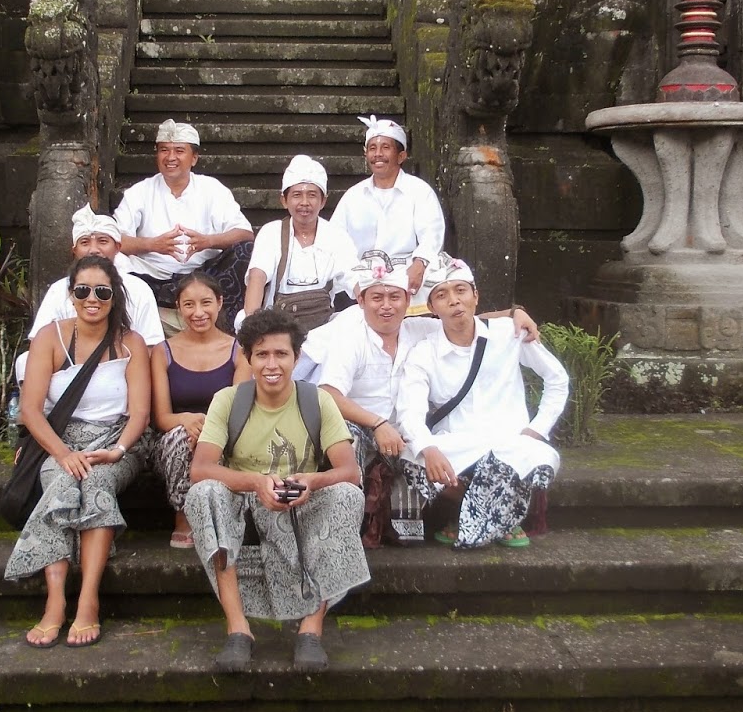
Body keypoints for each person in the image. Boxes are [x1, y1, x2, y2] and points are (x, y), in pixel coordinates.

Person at [184, 309, 368, 674]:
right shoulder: (228, 400)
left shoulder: (317, 400)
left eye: (281, 354)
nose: (272, 364)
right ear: (248, 358)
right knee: (203, 493)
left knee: (349, 495)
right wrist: (255, 483)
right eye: (262, 354)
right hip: (246, 506)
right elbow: (200, 468)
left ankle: (311, 629)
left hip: (304, 501)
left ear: (296, 358)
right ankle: (238, 628)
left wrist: (311, 481)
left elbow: (350, 471)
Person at [315, 253, 542, 546]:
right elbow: (328, 393)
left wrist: (514, 313)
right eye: (377, 297)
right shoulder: (351, 338)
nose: (386, 305)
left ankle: (477, 512)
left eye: (395, 297)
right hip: (363, 427)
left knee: (435, 450)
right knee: (349, 441)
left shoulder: (417, 329)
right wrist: (377, 423)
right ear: (361, 301)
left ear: (407, 302)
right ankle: (341, 532)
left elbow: (462, 319)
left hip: (406, 430)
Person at [5, 255, 151, 649]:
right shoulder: (50, 338)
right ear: (71, 295)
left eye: (101, 292)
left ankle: (88, 598)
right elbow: (32, 410)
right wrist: (64, 453)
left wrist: (119, 450)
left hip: (114, 441)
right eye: (83, 290)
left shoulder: (130, 343)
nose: (92, 299)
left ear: (113, 296)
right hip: (60, 441)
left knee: (99, 481)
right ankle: (55, 601)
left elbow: (140, 412)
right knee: (63, 480)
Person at [397, 255, 569, 550]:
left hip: (511, 443)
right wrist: (428, 447)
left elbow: (557, 379)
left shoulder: (508, 334)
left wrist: (536, 429)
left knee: (532, 457)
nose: (454, 301)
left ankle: (472, 523)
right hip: (460, 444)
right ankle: (496, 519)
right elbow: (409, 411)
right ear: (432, 308)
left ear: (476, 297)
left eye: (461, 291)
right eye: (442, 294)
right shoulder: (423, 353)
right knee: (412, 461)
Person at [114, 119, 255, 330]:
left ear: (194, 158)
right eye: (164, 150)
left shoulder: (212, 189)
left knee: (248, 252)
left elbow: (245, 233)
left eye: (179, 150)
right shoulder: (139, 192)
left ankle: (228, 324)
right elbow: (115, 239)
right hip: (152, 279)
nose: (170, 157)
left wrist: (208, 241)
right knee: (110, 257)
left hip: (206, 275)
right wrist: (152, 245)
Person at [150, 271, 250, 549]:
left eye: (206, 303)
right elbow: (161, 418)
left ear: (219, 303)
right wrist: (186, 420)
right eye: (189, 305)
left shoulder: (238, 350)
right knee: (182, 436)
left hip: (225, 434)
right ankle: (183, 515)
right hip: (175, 440)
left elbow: (238, 407)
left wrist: (209, 430)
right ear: (179, 308)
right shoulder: (162, 351)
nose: (198, 312)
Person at [15, 206, 165, 388]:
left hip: (122, 376)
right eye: (85, 242)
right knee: (25, 361)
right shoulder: (58, 289)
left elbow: (151, 347)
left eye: (103, 241)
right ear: (74, 250)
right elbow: (38, 344)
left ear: (118, 247)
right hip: (68, 375)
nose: (94, 250)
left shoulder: (138, 289)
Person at [328, 115, 445, 306]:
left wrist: (419, 263)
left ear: (401, 156)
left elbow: (432, 235)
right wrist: (354, 281)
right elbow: (336, 241)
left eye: (385, 148)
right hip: (360, 283)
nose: (378, 154)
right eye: (372, 148)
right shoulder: (353, 196)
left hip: (406, 280)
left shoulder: (419, 191)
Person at [242, 154, 357, 330]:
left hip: (322, 327)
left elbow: (354, 278)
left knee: (357, 318)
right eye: (297, 195)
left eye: (312, 195)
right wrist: (252, 324)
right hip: (278, 326)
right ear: (284, 200)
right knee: (243, 321)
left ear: (323, 200)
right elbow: (258, 276)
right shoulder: (271, 232)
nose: (305, 203)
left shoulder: (337, 236)